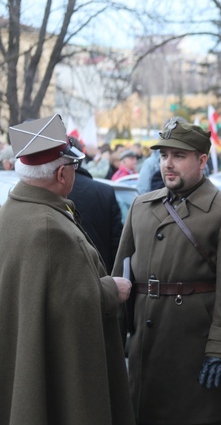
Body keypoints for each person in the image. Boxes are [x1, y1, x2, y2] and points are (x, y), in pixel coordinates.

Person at [112, 117, 221, 425]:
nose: (168, 164)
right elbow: (122, 277)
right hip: (144, 349)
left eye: (178, 156)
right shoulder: (141, 206)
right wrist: (114, 338)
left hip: (193, 348)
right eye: (163, 156)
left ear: (202, 160)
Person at [0, 114, 134, 424]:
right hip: (53, 377)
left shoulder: (9, 215)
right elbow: (74, 302)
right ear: (62, 173)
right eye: (72, 168)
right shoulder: (50, 229)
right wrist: (113, 289)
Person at [68, 136, 123, 273]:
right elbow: (117, 243)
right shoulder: (105, 192)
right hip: (102, 275)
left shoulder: (52, 191)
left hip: (66, 278)